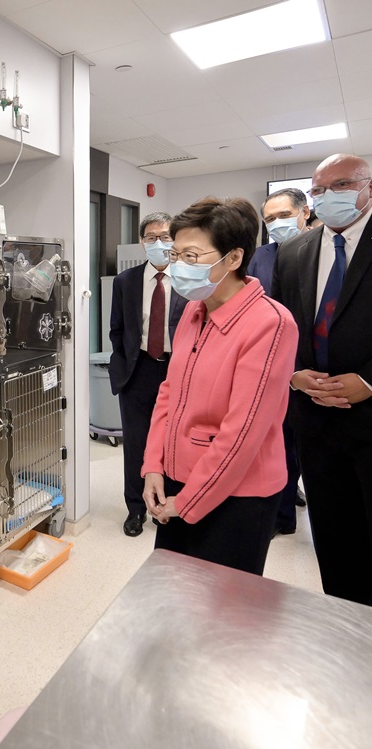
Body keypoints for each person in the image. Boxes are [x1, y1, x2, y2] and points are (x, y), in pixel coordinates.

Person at [142, 197, 297, 574]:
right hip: (179, 479)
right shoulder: (195, 312)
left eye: (191, 257)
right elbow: (169, 394)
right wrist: (153, 467)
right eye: (174, 254)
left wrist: (189, 500)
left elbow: (243, 432)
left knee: (224, 613)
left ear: (232, 258)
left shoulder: (269, 324)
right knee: (174, 592)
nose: (177, 266)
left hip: (238, 496)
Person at [271, 153, 372, 605]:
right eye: (319, 190)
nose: (329, 197)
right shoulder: (293, 252)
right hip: (314, 423)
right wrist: (293, 375)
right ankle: (344, 620)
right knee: (333, 538)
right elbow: (282, 328)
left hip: (369, 416)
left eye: (342, 185)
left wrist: (370, 381)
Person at [108, 212, 188, 537]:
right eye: (151, 237)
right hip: (137, 370)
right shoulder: (125, 281)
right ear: (142, 242)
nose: (159, 243)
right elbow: (117, 330)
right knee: (137, 443)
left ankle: (164, 507)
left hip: (177, 370)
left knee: (171, 443)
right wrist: (122, 366)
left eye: (166, 236)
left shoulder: (187, 278)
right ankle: (135, 509)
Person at [249, 188, 309, 535]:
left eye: (283, 216)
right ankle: (281, 515)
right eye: (269, 219)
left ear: (304, 213)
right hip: (274, 364)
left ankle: (293, 488)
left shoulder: (321, 250)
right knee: (279, 441)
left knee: (303, 443)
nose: (276, 224)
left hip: (318, 367)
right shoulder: (261, 256)